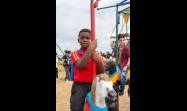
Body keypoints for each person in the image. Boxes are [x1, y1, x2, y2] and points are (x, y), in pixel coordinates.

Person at [70, 28, 104, 111]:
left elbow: (101, 72)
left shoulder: (97, 54)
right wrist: (90, 49)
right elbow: (81, 65)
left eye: (88, 38)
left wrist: (99, 61)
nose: (85, 40)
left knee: (96, 108)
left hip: (94, 85)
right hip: (79, 85)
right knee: (76, 107)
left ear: (91, 40)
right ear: (78, 40)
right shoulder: (75, 53)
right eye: (82, 38)